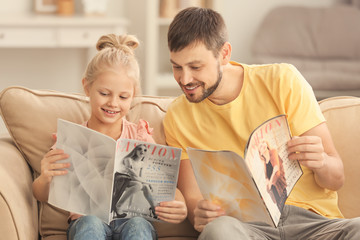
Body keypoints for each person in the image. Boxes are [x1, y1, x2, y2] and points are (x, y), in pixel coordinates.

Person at [163, 6, 360, 240]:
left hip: (312, 222)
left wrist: (322, 162)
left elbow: (336, 179)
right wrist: (201, 213)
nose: (185, 79)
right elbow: (193, 199)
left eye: (195, 67)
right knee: (218, 231)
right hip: (247, 228)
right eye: (176, 67)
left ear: (224, 54)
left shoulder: (282, 81)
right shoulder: (177, 116)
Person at [32, 33, 187, 240]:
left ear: (132, 97)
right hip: (87, 219)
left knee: (138, 227)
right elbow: (41, 195)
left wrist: (180, 206)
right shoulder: (72, 138)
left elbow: (166, 187)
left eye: (123, 97)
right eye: (104, 93)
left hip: (133, 220)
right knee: (89, 225)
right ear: (87, 87)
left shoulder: (140, 138)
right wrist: (45, 177)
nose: (113, 103)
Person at [112, 144, 157, 219]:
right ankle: (118, 205)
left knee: (143, 186)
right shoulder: (128, 160)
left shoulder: (141, 164)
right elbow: (132, 174)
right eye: (139, 149)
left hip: (130, 180)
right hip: (121, 179)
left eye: (145, 150)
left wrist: (145, 183)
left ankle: (154, 209)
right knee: (139, 185)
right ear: (135, 150)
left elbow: (139, 177)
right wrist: (148, 183)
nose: (142, 151)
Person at [258, 141, 287, 211]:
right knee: (281, 211)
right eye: (260, 147)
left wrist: (270, 182)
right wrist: (269, 183)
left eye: (263, 143)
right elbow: (268, 186)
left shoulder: (273, 152)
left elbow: (277, 172)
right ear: (260, 153)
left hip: (280, 188)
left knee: (286, 208)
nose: (263, 145)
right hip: (275, 193)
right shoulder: (265, 164)